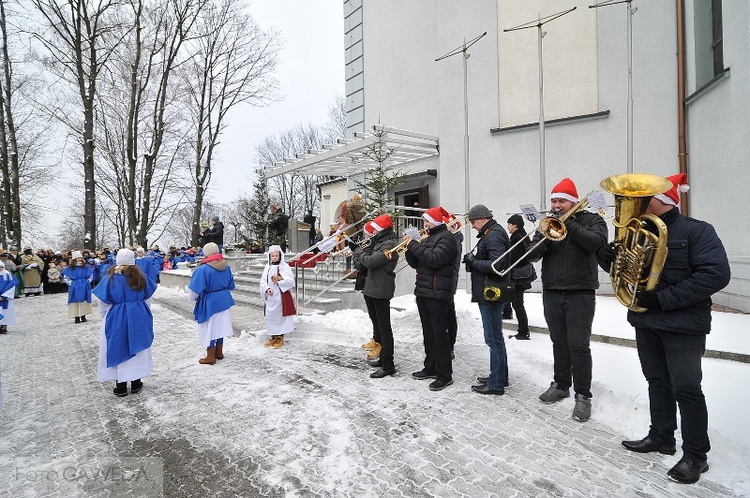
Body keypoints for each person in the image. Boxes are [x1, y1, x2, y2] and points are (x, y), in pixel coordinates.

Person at [601, 174, 730, 484]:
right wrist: (607, 259)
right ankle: (661, 436)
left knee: (686, 387)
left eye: (646, 198)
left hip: (683, 325)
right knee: (657, 381)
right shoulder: (639, 232)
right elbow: (626, 272)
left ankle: (697, 456)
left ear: (663, 200)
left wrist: (662, 299)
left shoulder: (698, 231)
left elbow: (716, 275)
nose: (636, 204)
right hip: (647, 321)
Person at [526, 178, 608, 422]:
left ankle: (583, 395)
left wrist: (569, 223)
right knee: (558, 342)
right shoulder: (547, 224)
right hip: (552, 290)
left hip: (580, 291)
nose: (556, 204)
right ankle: (561, 385)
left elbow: (596, 243)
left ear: (573, 201)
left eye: (561, 200)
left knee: (579, 345)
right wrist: (543, 236)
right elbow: (531, 255)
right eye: (554, 200)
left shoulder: (593, 220)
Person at [404, 206, 458, 391]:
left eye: (427, 221)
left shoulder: (447, 238)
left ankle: (445, 374)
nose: (424, 224)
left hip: (437, 293)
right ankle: (430, 367)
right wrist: (409, 248)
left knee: (439, 335)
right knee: (428, 334)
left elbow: (434, 260)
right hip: (424, 292)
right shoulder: (428, 238)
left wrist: (414, 244)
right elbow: (417, 263)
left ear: (435, 221)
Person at [93, 248, 157, 397]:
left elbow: (102, 302)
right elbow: (148, 300)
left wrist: (107, 315)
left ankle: (120, 385)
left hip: (116, 315)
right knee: (138, 345)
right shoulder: (141, 277)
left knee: (117, 344)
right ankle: (136, 382)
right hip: (138, 314)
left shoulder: (109, 278)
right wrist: (141, 312)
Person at [462, 204, 511, 395]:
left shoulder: (493, 235)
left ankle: (496, 383)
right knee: (495, 337)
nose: (472, 226)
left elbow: (496, 264)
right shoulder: (491, 233)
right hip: (489, 291)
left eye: (473, 222)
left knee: (493, 338)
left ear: (482, 218)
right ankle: (500, 376)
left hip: (491, 293)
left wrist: (473, 262)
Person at [353, 215, 399, 378]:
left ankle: (388, 364)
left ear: (382, 229)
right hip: (373, 287)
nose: (374, 231)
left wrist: (357, 251)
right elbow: (367, 261)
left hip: (381, 288)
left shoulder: (389, 244)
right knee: (378, 325)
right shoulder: (380, 242)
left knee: (385, 327)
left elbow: (371, 262)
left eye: (376, 229)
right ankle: (383, 358)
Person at [188, 242, 236, 364]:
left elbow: (195, 290)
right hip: (224, 300)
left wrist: (193, 298)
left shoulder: (203, 269)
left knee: (209, 328)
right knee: (220, 327)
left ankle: (210, 356)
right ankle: (219, 352)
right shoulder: (226, 267)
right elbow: (231, 285)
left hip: (210, 301)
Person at [506, 214, 537, 340]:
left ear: (515, 225)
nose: (507, 226)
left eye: (509, 224)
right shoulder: (521, 235)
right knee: (516, 302)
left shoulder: (517, 238)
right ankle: (507, 314)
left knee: (518, 304)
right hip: (522, 275)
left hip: (519, 276)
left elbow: (515, 258)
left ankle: (523, 331)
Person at [259, 245, 295, 348]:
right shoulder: (268, 267)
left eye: (276, 255)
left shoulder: (284, 267)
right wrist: (267, 289)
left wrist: (279, 280)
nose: (274, 257)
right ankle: (273, 336)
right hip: (270, 296)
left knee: (280, 317)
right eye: (272, 256)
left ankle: (280, 337)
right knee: (270, 316)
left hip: (280, 296)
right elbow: (262, 281)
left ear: (280, 256)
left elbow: (291, 281)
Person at [444, 212, 464, 359]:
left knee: (449, 315)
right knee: (447, 314)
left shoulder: (454, 240)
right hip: (446, 281)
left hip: (449, 281)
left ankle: (449, 346)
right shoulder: (451, 238)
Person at [62, 251, 94, 323]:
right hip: (74, 286)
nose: (79, 259)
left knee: (83, 301)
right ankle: (76, 317)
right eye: (77, 258)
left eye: (80, 258)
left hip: (84, 285)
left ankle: (83, 316)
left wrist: (88, 282)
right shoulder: (69, 269)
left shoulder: (85, 267)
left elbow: (91, 275)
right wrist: (71, 283)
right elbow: (66, 277)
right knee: (75, 300)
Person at [0, 261, 19, 334]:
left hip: (5, 298)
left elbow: (11, 286)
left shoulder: (7, 274)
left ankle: (4, 326)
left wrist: (4, 296)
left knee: (5, 312)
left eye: (1, 267)